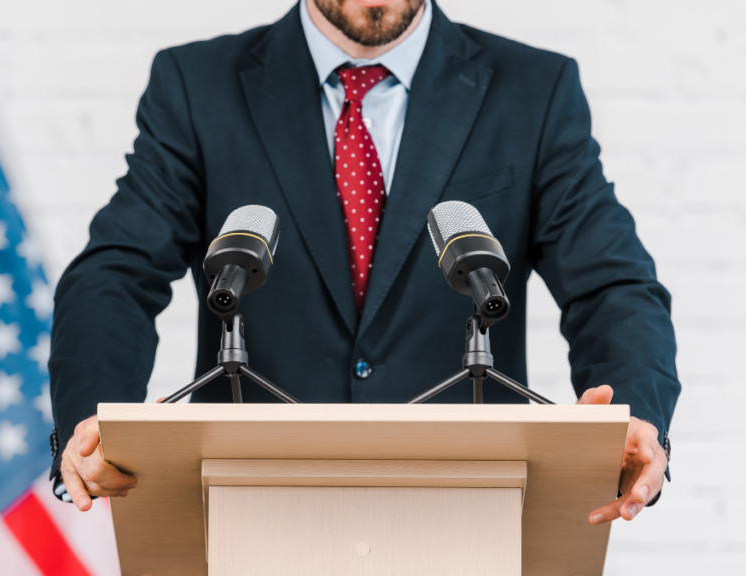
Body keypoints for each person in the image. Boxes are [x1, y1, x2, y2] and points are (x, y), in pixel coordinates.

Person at [48, 0, 680, 529]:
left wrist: (633, 415)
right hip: (249, 509)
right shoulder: (196, 85)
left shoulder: (534, 92)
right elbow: (116, 274)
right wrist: (98, 418)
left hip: (465, 511)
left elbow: (611, 284)